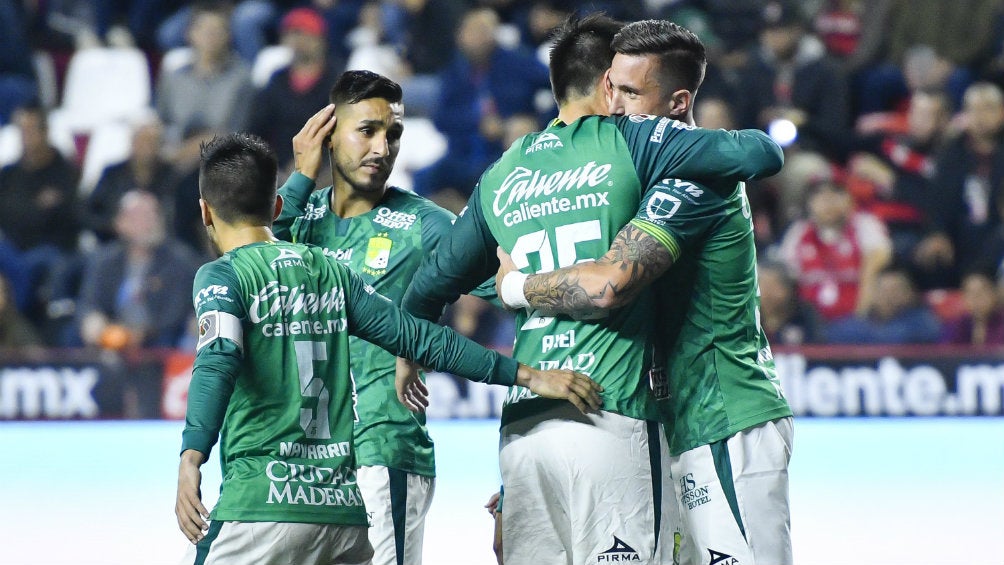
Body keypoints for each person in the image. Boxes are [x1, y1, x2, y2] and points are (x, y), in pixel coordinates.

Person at [401, 15, 784, 565]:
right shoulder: (627, 154)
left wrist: (506, 289)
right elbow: (760, 152)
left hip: (717, 415)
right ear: (602, 83)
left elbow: (602, 283)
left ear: (675, 102)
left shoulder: (513, 170)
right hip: (637, 419)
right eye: (618, 89)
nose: (621, 105)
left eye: (633, 92)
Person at [175, 132, 600, 564]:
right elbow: (419, 337)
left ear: (205, 212)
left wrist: (193, 456)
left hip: (260, 507)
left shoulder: (221, 277)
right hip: (342, 516)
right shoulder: (331, 273)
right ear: (277, 207)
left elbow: (218, 359)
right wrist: (527, 374)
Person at [271, 70, 453, 565]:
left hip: (382, 452)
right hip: (302, 465)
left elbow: (505, 285)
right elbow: (247, 271)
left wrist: (420, 330)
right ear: (328, 137)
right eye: (367, 130)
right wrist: (300, 176)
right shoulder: (298, 220)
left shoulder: (426, 225)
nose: (383, 147)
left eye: (393, 133)